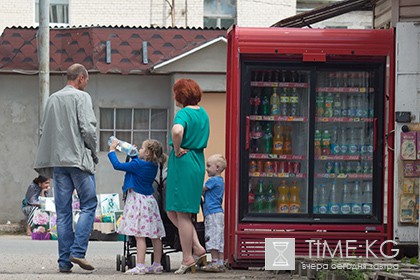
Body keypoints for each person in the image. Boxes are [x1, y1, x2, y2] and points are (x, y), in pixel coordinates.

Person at [34, 63, 98, 273]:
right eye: (86, 80)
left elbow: (44, 129)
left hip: (58, 162)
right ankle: (78, 251)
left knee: (63, 213)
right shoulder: (82, 98)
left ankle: (64, 262)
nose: (86, 84)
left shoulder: (53, 99)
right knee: (89, 204)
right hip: (78, 161)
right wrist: (94, 153)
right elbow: (87, 129)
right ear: (80, 78)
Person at [166, 78, 209, 274]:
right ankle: (198, 248)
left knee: (181, 212)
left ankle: (187, 257)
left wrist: (176, 148)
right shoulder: (204, 114)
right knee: (175, 210)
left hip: (183, 161)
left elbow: (177, 130)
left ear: (181, 95)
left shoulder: (183, 113)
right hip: (197, 160)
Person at [108, 138, 167, 275]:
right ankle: (157, 265)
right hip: (149, 202)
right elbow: (138, 164)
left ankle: (140, 266)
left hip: (137, 201)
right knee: (155, 236)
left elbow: (117, 165)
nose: (139, 149)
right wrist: (133, 153)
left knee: (139, 235)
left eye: (141, 148)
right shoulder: (153, 165)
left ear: (147, 153)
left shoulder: (137, 164)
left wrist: (112, 150)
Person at [201, 154, 226, 272]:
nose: (206, 168)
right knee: (219, 238)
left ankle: (214, 262)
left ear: (217, 167)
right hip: (219, 213)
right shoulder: (221, 180)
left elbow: (201, 189)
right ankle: (220, 262)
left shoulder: (213, 180)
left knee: (212, 237)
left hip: (212, 213)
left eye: (208, 166)